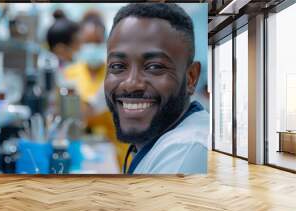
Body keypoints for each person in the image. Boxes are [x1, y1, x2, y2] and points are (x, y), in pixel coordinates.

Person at [104, 3, 209, 174]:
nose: (131, 84)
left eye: (154, 67)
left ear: (191, 78)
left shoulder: (186, 151)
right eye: (117, 66)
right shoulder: (161, 141)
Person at [64, 10, 128, 167]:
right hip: (78, 148)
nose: (92, 47)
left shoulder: (117, 73)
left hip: (114, 149)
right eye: (87, 42)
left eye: (97, 42)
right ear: (79, 42)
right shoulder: (69, 73)